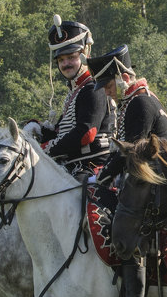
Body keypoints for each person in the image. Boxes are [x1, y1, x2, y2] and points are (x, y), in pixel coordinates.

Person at [88, 44, 167, 297]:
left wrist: (100, 178)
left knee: (127, 227)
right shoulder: (133, 101)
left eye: (109, 84)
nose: (106, 91)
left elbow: (131, 153)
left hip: (158, 181)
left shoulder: (139, 103)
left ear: (123, 77)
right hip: (147, 176)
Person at [24, 15, 113, 179]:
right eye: (61, 60)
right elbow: (61, 135)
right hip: (72, 168)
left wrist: (43, 149)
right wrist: (38, 129)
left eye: (71, 57)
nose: (66, 64)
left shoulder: (93, 89)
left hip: (92, 168)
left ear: (84, 54)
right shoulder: (75, 91)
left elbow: (86, 133)